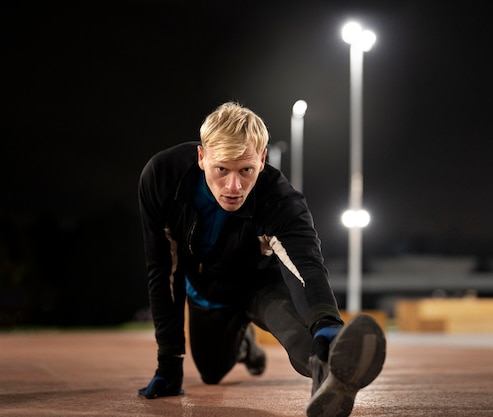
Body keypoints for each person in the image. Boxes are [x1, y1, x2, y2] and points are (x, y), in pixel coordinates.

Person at [137, 101, 386, 417]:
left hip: (259, 286)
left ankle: (330, 372)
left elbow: (305, 263)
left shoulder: (280, 200)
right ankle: (245, 345)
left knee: (302, 336)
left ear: (263, 159)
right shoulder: (163, 177)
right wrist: (169, 360)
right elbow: (163, 269)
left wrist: (327, 324)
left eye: (246, 170)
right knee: (212, 371)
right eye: (222, 169)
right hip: (207, 297)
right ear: (202, 157)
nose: (234, 186)